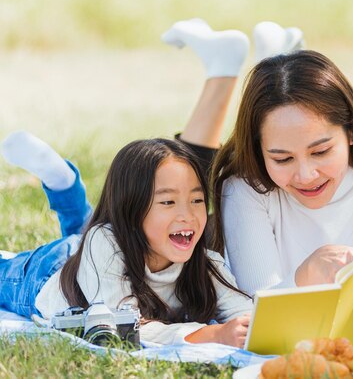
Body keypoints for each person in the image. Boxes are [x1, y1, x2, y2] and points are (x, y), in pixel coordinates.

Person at [207, 52, 353, 335]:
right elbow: (260, 320)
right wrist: (307, 274)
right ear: (259, 151)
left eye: (321, 151)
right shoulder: (244, 187)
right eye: (282, 159)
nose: (306, 176)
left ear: (351, 132)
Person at [0, 134, 252, 347]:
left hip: (93, 254)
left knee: (85, 233)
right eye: (168, 202)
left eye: (196, 200)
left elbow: (250, 315)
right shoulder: (103, 243)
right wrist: (213, 334)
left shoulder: (206, 265)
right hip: (47, 273)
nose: (188, 215)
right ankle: (65, 187)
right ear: (130, 209)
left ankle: (63, 184)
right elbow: (125, 327)